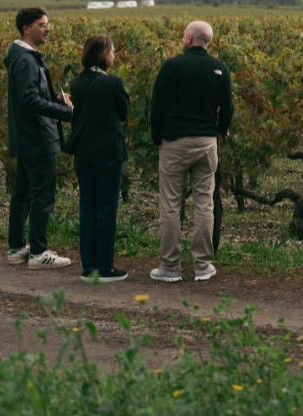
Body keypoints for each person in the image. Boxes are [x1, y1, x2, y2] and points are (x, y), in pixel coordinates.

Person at [149, 20, 233, 282]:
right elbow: (227, 107)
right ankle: (202, 265)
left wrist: (157, 137)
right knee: (205, 204)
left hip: (174, 141)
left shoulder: (172, 66)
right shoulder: (220, 68)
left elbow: (157, 106)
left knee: (171, 205)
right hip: (207, 142)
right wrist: (221, 129)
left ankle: (171, 267)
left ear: (188, 37)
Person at [5, 6, 74, 270]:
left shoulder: (25, 57)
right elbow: (30, 100)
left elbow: (31, 97)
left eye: (48, 24)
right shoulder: (25, 60)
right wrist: (65, 111)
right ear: (26, 28)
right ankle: (39, 252)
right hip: (37, 136)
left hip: (27, 135)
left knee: (22, 193)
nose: (47, 28)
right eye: (42, 24)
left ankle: (17, 249)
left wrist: (53, 99)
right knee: (42, 194)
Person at [63, 34, 130, 284]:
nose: (114, 55)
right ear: (104, 55)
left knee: (87, 208)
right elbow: (123, 113)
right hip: (108, 153)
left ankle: (88, 268)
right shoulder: (113, 82)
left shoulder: (76, 82)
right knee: (107, 209)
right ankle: (104, 268)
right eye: (112, 51)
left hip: (83, 152)